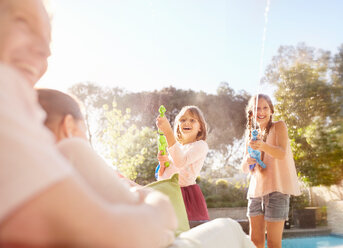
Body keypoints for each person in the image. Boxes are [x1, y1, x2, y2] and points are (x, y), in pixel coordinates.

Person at [0, 0, 254, 247]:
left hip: (180, 198)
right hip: (157, 216)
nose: (47, 51)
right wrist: (154, 196)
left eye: (47, 39)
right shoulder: (62, 146)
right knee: (230, 228)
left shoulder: (199, 147)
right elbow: (127, 226)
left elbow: (177, 167)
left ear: (201, 128)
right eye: (23, 22)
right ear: (69, 127)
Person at [241, 94, 302, 248]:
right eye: (257, 108)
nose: (261, 112)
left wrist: (262, 146)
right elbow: (244, 168)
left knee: (274, 243)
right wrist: (248, 160)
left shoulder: (279, 126)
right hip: (255, 193)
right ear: (251, 113)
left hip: (277, 190)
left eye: (265, 108)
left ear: (271, 110)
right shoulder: (250, 136)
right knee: (255, 241)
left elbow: (281, 153)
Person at [156, 106, 210, 221]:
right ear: (178, 125)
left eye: (192, 120)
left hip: (184, 197)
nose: (187, 123)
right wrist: (162, 165)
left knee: (185, 231)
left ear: (200, 127)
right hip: (168, 193)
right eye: (183, 120)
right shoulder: (177, 148)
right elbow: (163, 176)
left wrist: (168, 133)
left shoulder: (200, 145)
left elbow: (181, 162)